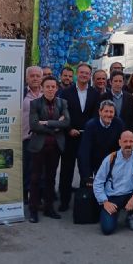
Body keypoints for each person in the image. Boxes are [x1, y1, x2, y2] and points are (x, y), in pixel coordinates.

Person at [28, 76, 70, 223]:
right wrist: (55, 127)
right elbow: (33, 125)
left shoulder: (62, 102)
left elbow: (66, 122)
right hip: (39, 146)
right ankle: (33, 209)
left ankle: (49, 207)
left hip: (55, 147)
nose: (51, 89)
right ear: (42, 88)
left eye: (53, 87)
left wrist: (46, 123)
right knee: (35, 178)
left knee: (51, 179)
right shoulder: (35, 103)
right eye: (48, 86)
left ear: (56, 88)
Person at [58, 62, 100, 212]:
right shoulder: (66, 92)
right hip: (69, 137)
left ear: (90, 76)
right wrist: (69, 129)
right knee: (66, 171)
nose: (84, 75)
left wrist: (89, 132)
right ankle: (64, 201)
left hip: (86, 139)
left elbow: (96, 115)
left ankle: (85, 200)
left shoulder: (95, 93)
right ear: (77, 74)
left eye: (87, 73)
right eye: (81, 73)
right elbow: (62, 113)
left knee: (85, 171)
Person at [92, 131, 133, 235]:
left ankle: (131, 215)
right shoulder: (110, 159)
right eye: (125, 141)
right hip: (113, 198)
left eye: (131, 141)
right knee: (107, 229)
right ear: (120, 142)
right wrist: (104, 202)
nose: (128, 144)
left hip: (131, 195)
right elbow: (98, 182)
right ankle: (115, 213)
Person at [78, 100, 124, 185]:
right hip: (94, 162)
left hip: (111, 162)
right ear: (100, 112)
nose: (109, 114)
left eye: (111, 112)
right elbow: (85, 151)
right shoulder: (90, 125)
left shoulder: (118, 124)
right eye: (106, 111)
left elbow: (120, 148)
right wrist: (87, 175)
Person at [22, 65, 43, 203]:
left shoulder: (48, 91)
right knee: (27, 170)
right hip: (27, 138)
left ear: (41, 78)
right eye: (32, 76)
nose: (35, 78)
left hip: (44, 138)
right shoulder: (21, 94)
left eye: (37, 76)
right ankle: (24, 197)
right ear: (26, 78)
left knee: (42, 171)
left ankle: (39, 198)